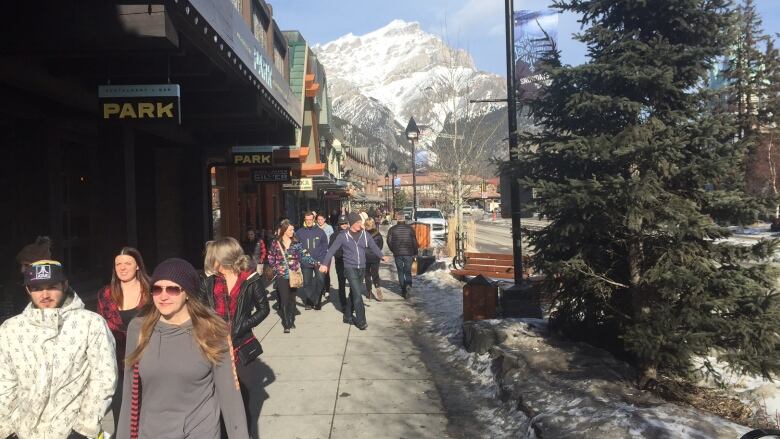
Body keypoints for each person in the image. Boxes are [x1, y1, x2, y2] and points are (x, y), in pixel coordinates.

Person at [117, 258, 248, 439]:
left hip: (200, 431)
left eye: (172, 289)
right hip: (151, 432)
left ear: (187, 293)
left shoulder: (212, 329)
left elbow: (230, 397)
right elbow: (129, 396)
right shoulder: (138, 328)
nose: (163, 296)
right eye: (157, 289)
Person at [0, 260, 117, 439]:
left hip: (71, 431)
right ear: (28, 290)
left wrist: (83, 431)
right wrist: (7, 430)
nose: (45, 294)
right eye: (37, 288)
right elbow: (5, 382)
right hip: (24, 431)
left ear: (65, 284)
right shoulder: (11, 329)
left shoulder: (90, 323)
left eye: (52, 286)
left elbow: (104, 378)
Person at [201, 238, 270, 439]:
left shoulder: (250, 279)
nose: (210, 261)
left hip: (240, 345)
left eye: (214, 257)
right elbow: (200, 308)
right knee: (217, 397)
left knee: (241, 396)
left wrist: (242, 325)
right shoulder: (209, 280)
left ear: (224, 257)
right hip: (214, 346)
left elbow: (263, 309)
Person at [97, 247, 151, 431]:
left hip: (148, 361)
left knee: (149, 413)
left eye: (128, 263)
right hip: (118, 365)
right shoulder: (105, 294)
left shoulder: (152, 291)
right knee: (122, 415)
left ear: (137, 266)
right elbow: (101, 332)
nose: (122, 267)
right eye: (118, 264)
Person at [320, 213, 386, 330]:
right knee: (357, 294)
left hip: (361, 267)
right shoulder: (343, 236)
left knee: (353, 293)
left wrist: (381, 256)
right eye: (357, 223)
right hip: (349, 267)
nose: (360, 225)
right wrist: (325, 264)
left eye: (360, 223)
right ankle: (361, 321)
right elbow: (331, 251)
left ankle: (347, 315)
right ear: (351, 223)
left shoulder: (365, 235)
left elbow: (373, 246)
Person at [267, 220, 318, 333]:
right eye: (290, 229)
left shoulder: (296, 243)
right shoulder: (276, 243)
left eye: (293, 229)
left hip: (294, 275)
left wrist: (315, 262)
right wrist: (276, 269)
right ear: (284, 230)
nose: (292, 231)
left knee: (292, 299)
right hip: (281, 276)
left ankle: (291, 318)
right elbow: (271, 257)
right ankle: (286, 323)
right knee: (284, 300)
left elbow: (304, 255)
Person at [295, 212, 328, 310]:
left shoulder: (320, 232)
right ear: (304, 220)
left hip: (318, 261)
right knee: (307, 283)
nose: (309, 221)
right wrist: (301, 259)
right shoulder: (299, 232)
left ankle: (317, 299)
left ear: (314, 220)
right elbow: (297, 247)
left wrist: (322, 260)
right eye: (307, 220)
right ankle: (310, 301)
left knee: (321, 281)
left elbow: (324, 246)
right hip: (305, 262)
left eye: (310, 219)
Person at [387, 212, 419, 298]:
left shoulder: (392, 229)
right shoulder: (410, 229)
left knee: (400, 271)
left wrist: (393, 250)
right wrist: (415, 252)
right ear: (404, 219)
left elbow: (389, 241)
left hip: (397, 254)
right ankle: (408, 285)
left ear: (397, 219)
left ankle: (403, 289)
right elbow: (414, 242)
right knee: (407, 271)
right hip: (409, 253)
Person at [329, 215, 350, 313]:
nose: (344, 225)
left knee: (353, 284)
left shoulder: (352, 234)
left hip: (351, 263)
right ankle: (343, 304)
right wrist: (342, 253)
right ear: (339, 224)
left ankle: (352, 302)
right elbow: (332, 249)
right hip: (340, 262)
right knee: (341, 283)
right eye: (342, 224)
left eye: (345, 223)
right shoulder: (334, 235)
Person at [363, 218, 385, 303]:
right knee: (375, 273)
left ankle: (369, 291)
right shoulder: (378, 234)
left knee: (367, 274)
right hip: (375, 257)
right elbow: (380, 245)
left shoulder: (363, 234)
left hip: (365, 257)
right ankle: (377, 286)